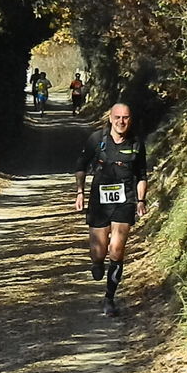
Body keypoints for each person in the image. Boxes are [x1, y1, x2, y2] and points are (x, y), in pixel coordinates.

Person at [74, 103, 148, 316]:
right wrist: (80, 193)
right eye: (117, 117)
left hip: (125, 201)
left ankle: (109, 298)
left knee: (117, 249)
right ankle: (97, 264)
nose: (121, 122)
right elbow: (80, 165)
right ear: (110, 117)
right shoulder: (97, 140)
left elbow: (142, 175)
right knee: (98, 253)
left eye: (126, 117)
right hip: (99, 201)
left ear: (130, 119)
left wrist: (141, 200)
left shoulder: (136, 143)